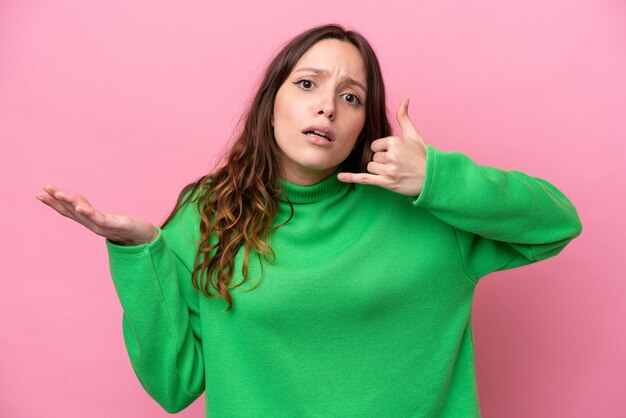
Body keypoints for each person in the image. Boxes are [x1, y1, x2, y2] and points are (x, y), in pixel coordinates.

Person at [36, 24, 582, 417]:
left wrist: (437, 178)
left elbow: (557, 223)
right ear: (270, 101)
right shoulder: (210, 213)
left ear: (365, 123)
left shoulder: (427, 208)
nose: (327, 107)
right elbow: (174, 384)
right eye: (307, 85)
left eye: (351, 97)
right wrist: (141, 251)